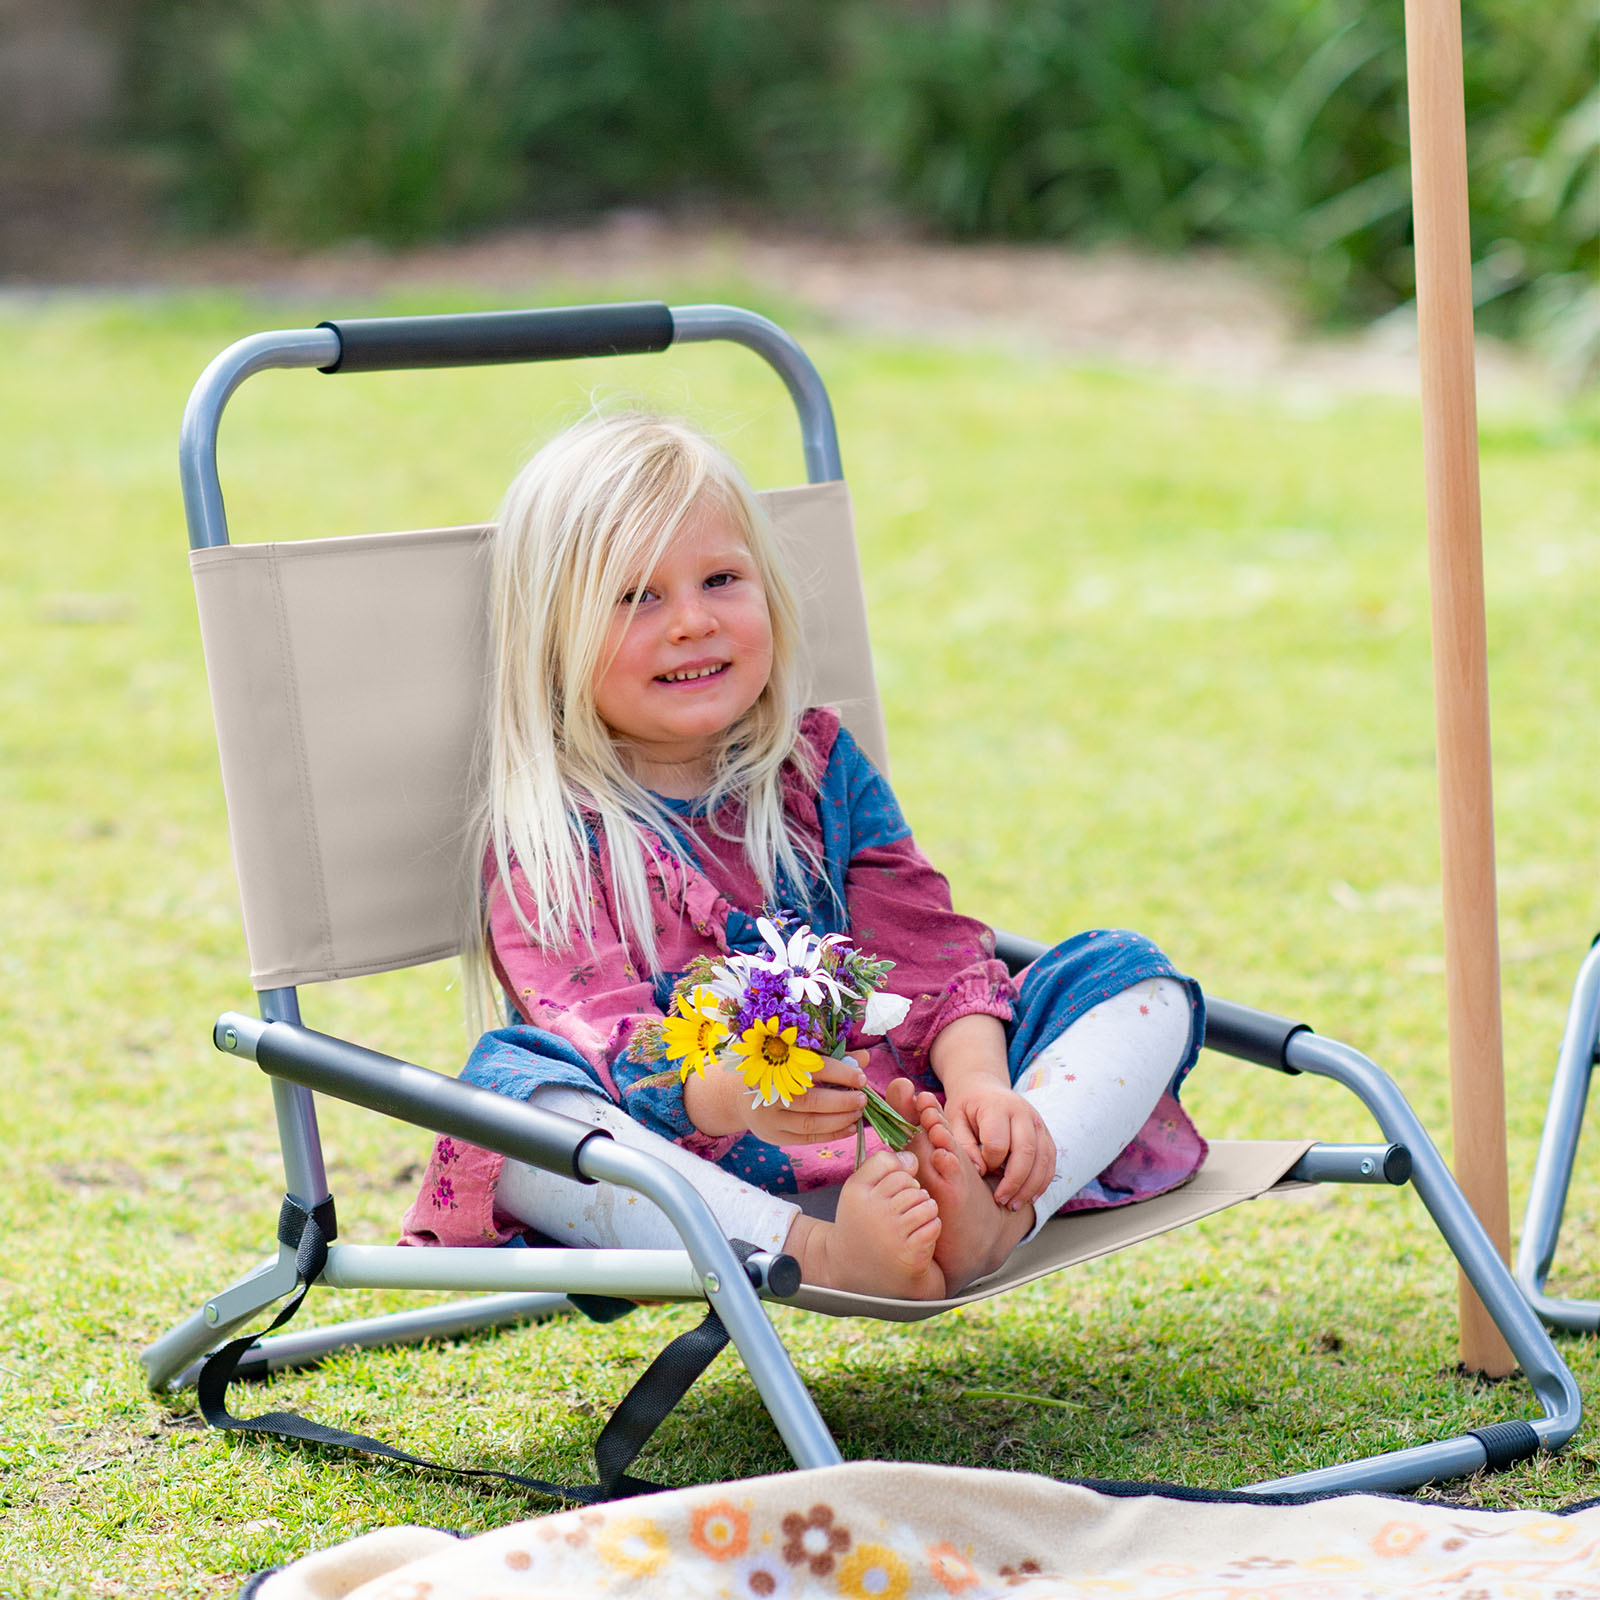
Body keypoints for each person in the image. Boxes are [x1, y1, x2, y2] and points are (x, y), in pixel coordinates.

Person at [402, 411, 1206, 1299]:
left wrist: (981, 1086)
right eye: (636, 598)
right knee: (515, 1111)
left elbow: (929, 949)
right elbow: (601, 1041)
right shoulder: (549, 833)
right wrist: (734, 1097)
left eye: (720, 579)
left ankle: (1004, 1205)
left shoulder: (817, 767)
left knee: (1132, 977)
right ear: (551, 641)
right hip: (710, 1182)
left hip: (905, 1134)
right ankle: (816, 1255)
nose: (693, 622)